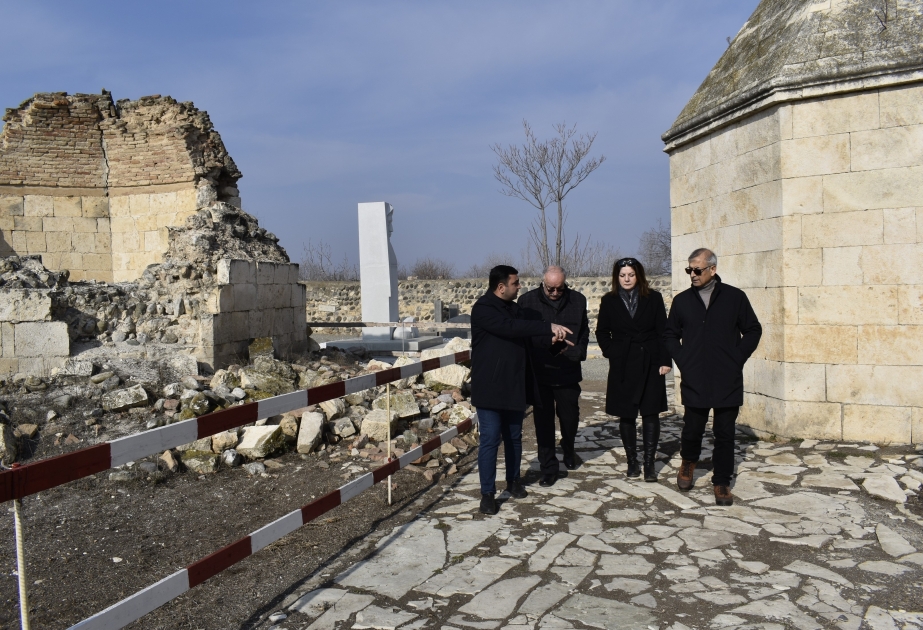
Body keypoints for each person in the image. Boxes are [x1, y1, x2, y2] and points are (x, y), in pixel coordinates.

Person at [471, 264, 573, 515]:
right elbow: (511, 328)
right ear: (501, 286)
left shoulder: (515, 309)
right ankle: (487, 494)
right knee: (491, 440)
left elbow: (527, 337)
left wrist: (552, 342)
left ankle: (514, 481)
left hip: (515, 385)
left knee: (514, 438)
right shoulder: (483, 309)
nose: (520, 287)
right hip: (491, 388)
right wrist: (547, 326)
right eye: (516, 283)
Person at [663, 248, 762, 506]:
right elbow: (670, 334)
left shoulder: (735, 298)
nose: (693, 275)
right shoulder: (682, 301)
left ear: (712, 269)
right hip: (695, 377)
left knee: (725, 433)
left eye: (697, 270)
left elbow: (753, 330)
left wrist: (736, 358)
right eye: (689, 270)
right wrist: (683, 359)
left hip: (726, 378)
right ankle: (688, 463)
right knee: (692, 430)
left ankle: (721, 481)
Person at [596, 258, 671, 482]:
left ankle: (649, 463)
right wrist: (612, 351)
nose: (627, 279)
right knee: (626, 414)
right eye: (622, 275)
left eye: (631, 274)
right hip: (623, 363)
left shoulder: (654, 298)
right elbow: (602, 332)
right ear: (616, 277)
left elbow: (663, 331)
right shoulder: (608, 301)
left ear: (638, 275)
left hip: (650, 360)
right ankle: (632, 462)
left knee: (650, 412)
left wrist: (665, 360)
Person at [518, 266, 590, 487]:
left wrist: (579, 351)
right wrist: (548, 343)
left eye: (560, 288)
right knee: (543, 422)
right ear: (542, 284)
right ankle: (548, 467)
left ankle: (568, 447)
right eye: (551, 289)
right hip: (540, 372)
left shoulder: (578, 300)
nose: (556, 293)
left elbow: (584, 331)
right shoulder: (526, 302)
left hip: (568, 370)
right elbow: (524, 336)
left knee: (570, 417)